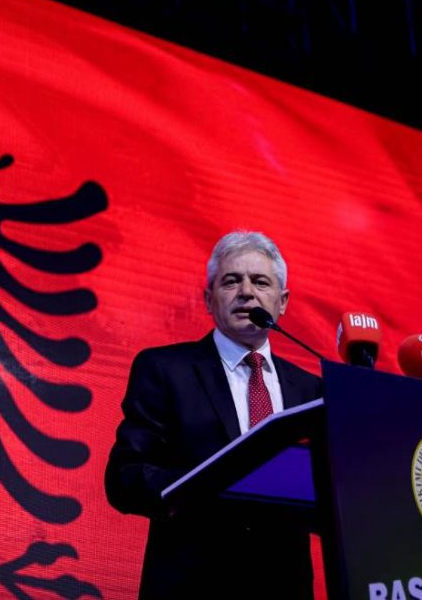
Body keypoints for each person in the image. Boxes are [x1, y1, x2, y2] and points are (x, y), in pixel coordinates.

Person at [104, 230, 323, 599]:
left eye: (261, 282)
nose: (246, 292)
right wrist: (211, 487)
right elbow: (125, 477)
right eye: (231, 281)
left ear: (282, 301)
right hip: (193, 584)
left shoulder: (311, 391)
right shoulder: (165, 369)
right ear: (209, 299)